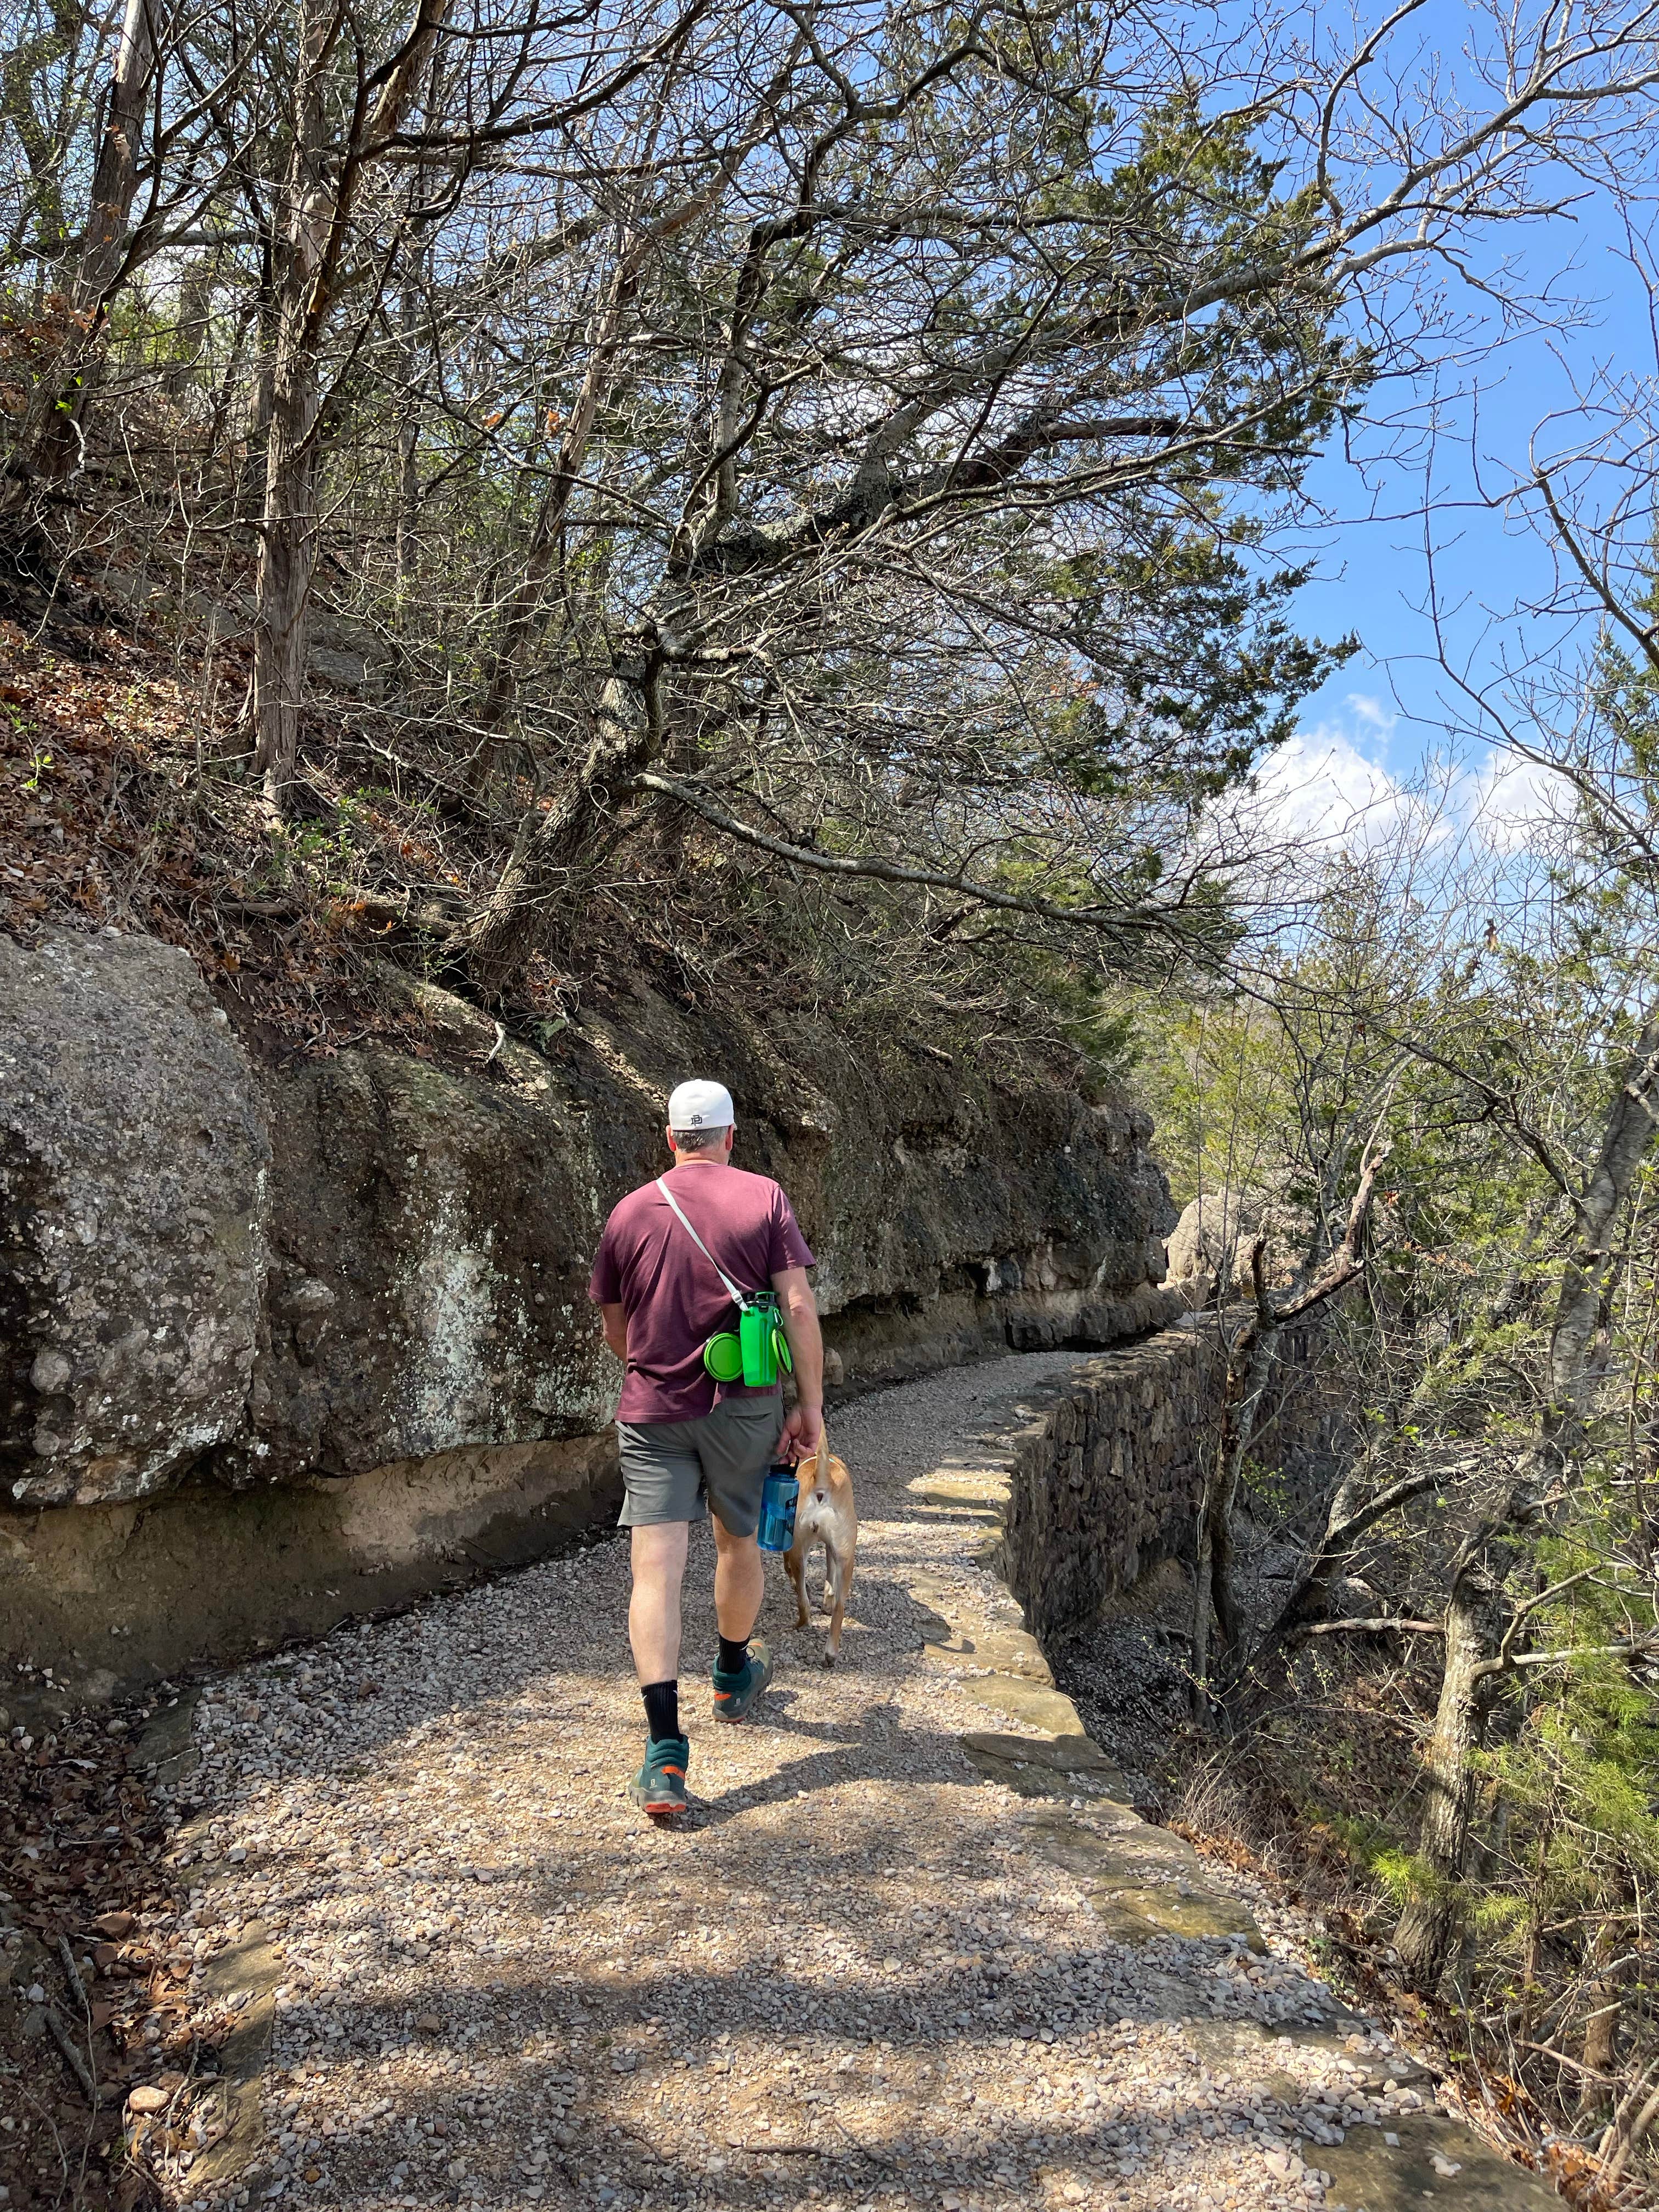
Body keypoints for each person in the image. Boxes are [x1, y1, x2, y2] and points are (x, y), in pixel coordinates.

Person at [589, 1079, 825, 1819]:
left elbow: (615, 1332)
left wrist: (659, 1368)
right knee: (737, 1547)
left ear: (670, 1140)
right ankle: (730, 1676)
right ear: (730, 1133)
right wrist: (810, 1406)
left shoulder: (630, 1211)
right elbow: (796, 1304)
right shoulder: (764, 1199)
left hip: (653, 1409)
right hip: (743, 1412)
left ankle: (663, 1754)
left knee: (654, 1573)